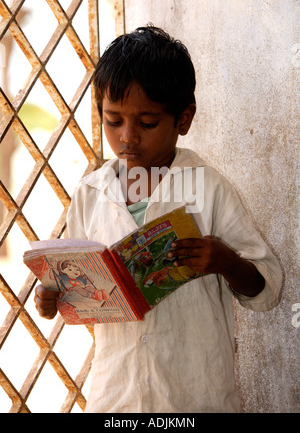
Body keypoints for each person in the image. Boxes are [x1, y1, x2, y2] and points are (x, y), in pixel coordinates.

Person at [34, 25, 282, 413]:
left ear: (183, 120)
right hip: (116, 398)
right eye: (113, 121)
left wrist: (225, 261)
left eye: (147, 123)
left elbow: (267, 291)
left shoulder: (208, 189)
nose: (127, 138)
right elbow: (82, 294)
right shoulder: (90, 194)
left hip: (195, 395)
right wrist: (56, 298)